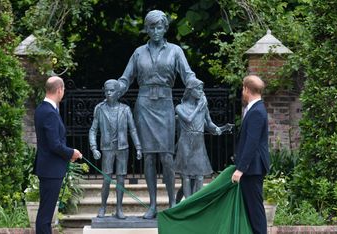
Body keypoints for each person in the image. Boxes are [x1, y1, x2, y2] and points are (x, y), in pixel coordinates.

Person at [117, 9, 200, 219]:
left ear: (165, 28)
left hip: (164, 104)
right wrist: (116, 88)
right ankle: (153, 205)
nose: (155, 31)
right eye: (152, 27)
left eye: (159, 27)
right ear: (146, 29)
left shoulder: (175, 51)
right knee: (149, 157)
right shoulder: (138, 52)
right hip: (144, 106)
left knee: (166, 157)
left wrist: (196, 86)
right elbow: (126, 78)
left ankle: (172, 202)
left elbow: (187, 75)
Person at [33, 76, 83, 234]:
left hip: (48, 168)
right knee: (46, 215)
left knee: (45, 212)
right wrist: (72, 152)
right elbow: (54, 144)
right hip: (51, 170)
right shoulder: (49, 112)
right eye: (63, 91)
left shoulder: (42, 109)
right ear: (60, 90)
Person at [89, 79, 142, 219]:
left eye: (112, 91)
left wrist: (138, 147)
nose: (108, 93)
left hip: (122, 148)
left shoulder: (125, 109)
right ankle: (103, 207)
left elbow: (133, 130)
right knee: (106, 179)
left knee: (121, 179)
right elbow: (93, 130)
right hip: (107, 148)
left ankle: (119, 209)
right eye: (106, 91)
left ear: (118, 93)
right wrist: (94, 148)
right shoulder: (100, 109)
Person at [174, 79, 232, 199]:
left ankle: (196, 203)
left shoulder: (203, 108)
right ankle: (187, 204)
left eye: (202, 89)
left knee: (199, 175)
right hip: (185, 142)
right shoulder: (180, 107)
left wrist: (221, 128)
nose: (201, 92)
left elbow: (209, 124)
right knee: (186, 176)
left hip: (198, 142)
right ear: (190, 91)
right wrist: (199, 107)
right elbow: (188, 119)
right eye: (198, 89)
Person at [231, 75, 270, 234]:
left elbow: (251, 143)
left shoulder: (257, 111)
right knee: (252, 209)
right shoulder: (255, 109)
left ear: (247, 89)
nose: (242, 91)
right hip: (252, 167)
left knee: (255, 210)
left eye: (242, 88)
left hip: (253, 168)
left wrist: (241, 169)